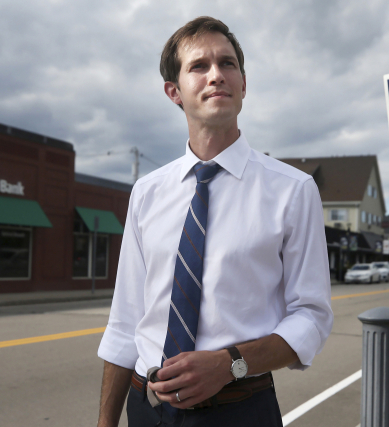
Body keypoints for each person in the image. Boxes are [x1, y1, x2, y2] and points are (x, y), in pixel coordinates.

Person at [96, 17, 333, 427]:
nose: (217, 75)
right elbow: (125, 321)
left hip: (240, 409)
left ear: (244, 83)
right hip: (145, 408)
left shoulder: (293, 190)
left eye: (228, 64)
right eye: (199, 66)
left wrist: (229, 364)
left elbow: (311, 317)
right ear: (174, 92)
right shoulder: (146, 193)